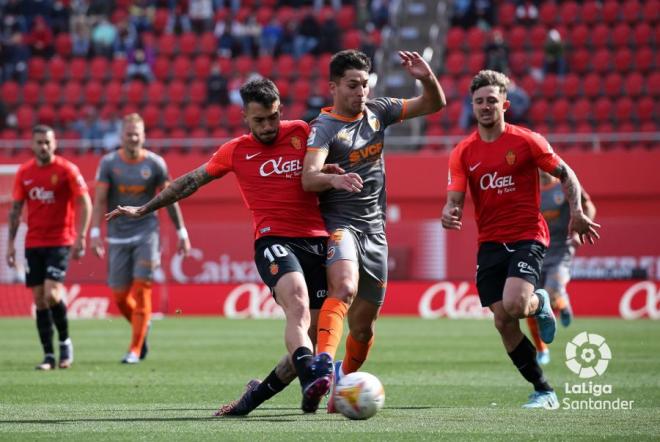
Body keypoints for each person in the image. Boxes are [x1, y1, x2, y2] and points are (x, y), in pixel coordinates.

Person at [105, 79, 336, 414]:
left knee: (311, 340)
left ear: (280, 111)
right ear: (245, 117)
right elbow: (189, 182)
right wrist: (144, 208)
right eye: (259, 120)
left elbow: (323, 164)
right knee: (297, 303)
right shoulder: (235, 150)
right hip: (273, 240)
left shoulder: (302, 132)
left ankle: (253, 398)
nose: (268, 126)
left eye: (272, 117)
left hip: (317, 240)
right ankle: (310, 381)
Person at [441, 70, 600, 409]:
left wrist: (577, 211)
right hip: (490, 243)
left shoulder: (527, 141)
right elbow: (454, 196)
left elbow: (565, 173)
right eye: (480, 101)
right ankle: (544, 390)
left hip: (528, 235)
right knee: (503, 320)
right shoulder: (463, 152)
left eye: (492, 101)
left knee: (514, 305)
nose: (486, 106)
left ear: (505, 105)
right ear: (472, 105)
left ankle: (540, 301)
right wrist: (449, 211)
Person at [301, 49, 446, 412]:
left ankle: (341, 387)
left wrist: (425, 77)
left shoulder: (378, 111)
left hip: (376, 233)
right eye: (353, 85)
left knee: (363, 329)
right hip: (340, 225)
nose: (361, 91)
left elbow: (433, 105)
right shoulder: (323, 128)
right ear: (334, 87)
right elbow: (308, 177)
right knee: (345, 287)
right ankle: (322, 367)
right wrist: (334, 182)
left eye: (365, 84)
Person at [90, 113, 191, 364]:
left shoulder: (156, 164)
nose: (133, 138)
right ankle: (143, 324)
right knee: (119, 295)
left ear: (143, 136)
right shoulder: (108, 163)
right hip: (117, 236)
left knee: (142, 288)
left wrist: (182, 232)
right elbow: (100, 200)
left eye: (137, 134)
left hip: (147, 233)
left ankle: (134, 349)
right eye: (129, 134)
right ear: (121, 136)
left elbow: (170, 198)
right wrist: (94, 233)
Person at [6, 125, 92, 370]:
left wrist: (81, 235)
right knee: (39, 300)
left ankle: (65, 342)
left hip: (61, 240)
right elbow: (15, 210)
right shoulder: (24, 172)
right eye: (39, 142)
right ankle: (48, 356)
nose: (43, 146)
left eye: (47, 142)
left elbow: (84, 201)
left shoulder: (67, 170)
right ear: (32, 145)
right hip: (34, 242)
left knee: (52, 293)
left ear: (54, 144)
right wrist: (11, 245)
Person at [527, 170, 597, 365]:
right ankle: (542, 348)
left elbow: (588, 205)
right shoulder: (528, 187)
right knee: (529, 303)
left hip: (562, 248)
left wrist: (580, 229)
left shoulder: (566, 183)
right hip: (536, 250)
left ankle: (559, 298)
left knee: (548, 293)